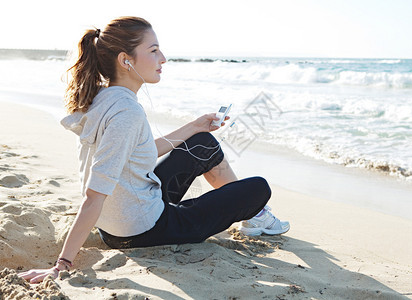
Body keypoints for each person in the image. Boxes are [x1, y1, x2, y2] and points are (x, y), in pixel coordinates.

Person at [19, 16, 289, 284]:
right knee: (258, 189)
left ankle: (255, 217)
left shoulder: (104, 97)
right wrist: (62, 265)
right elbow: (94, 194)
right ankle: (256, 214)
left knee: (202, 143)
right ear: (126, 60)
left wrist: (195, 125)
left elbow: (140, 152)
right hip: (142, 231)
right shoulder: (127, 113)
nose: (163, 58)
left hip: (121, 219)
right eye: (153, 50)